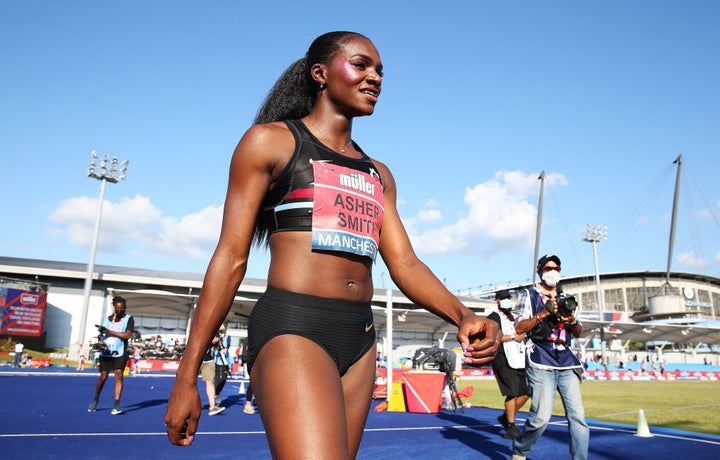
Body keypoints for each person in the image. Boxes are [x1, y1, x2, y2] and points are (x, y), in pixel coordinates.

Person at [164, 31, 501, 457]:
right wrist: (186, 373)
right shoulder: (271, 142)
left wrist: (464, 314)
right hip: (294, 327)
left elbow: (406, 264)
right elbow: (231, 257)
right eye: (361, 65)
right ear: (320, 73)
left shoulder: (378, 173)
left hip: (359, 339)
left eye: (380, 70)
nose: (375, 77)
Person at [511, 255, 589, 460]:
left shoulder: (568, 298)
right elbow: (519, 327)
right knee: (540, 418)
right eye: (548, 268)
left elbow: (579, 332)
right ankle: (520, 448)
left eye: (556, 268)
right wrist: (543, 313)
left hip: (566, 359)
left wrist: (572, 320)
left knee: (578, 417)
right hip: (540, 357)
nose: (553, 271)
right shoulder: (529, 295)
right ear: (539, 271)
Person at [488, 289, 529, 440]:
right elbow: (494, 337)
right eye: (504, 298)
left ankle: (506, 416)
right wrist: (514, 336)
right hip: (503, 357)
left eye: (508, 297)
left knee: (525, 393)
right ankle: (511, 425)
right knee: (512, 392)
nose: (507, 300)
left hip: (520, 355)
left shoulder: (516, 317)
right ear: (497, 301)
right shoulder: (494, 317)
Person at [88, 296, 134, 415]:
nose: (120, 311)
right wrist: (100, 338)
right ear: (114, 307)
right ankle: (96, 398)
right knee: (103, 377)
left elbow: (127, 335)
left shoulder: (129, 319)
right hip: (107, 352)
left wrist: (110, 332)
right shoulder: (107, 319)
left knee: (119, 375)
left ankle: (117, 404)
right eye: (118, 308)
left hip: (120, 351)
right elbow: (102, 335)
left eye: (123, 308)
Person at [200, 329, 226, 416]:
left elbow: (221, 349)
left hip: (208, 360)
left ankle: (212, 407)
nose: (218, 338)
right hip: (196, 359)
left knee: (210, 382)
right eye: (217, 337)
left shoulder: (219, 333)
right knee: (188, 382)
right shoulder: (207, 330)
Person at [213, 323, 231, 405]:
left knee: (223, 379)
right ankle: (216, 395)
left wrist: (225, 349)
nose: (221, 328)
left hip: (225, 360)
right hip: (217, 360)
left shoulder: (228, 337)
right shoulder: (216, 335)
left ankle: (217, 392)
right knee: (217, 380)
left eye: (223, 327)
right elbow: (213, 345)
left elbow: (228, 346)